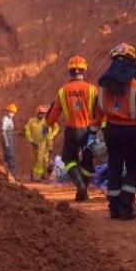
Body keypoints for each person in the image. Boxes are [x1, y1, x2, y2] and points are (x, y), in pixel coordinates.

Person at [97, 43, 136, 220]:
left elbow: (96, 112)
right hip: (131, 132)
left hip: (111, 131)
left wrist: (92, 132)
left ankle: (113, 208)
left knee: (114, 168)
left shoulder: (103, 87)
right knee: (134, 169)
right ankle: (126, 206)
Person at [45, 55, 103, 201]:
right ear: (84, 70)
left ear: (70, 71)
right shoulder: (92, 89)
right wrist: (101, 128)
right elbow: (100, 111)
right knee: (88, 161)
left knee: (69, 159)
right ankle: (84, 188)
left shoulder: (62, 91)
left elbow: (52, 115)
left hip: (72, 130)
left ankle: (79, 186)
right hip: (90, 131)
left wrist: (48, 125)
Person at [23, 104, 58, 182]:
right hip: (33, 143)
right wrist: (31, 140)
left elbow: (55, 128)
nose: (42, 115)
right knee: (34, 160)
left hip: (43, 143)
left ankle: (38, 176)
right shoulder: (31, 121)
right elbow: (27, 130)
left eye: (43, 113)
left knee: (40, 160)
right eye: (41, 113)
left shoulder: (46, 121)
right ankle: (34, 174)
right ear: (37, 113)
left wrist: (51, 138)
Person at [1, 103, 18, 180]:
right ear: (7, 111)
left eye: (13, 112)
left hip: (10, 139)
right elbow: (3, 131)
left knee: (6, 157)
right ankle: (13, 175)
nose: (12, 114)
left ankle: (6, 174)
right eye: (11, 112)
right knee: (11, 157)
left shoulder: (10, 119)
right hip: (7, 139)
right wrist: (6, 142)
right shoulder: (5, 119)